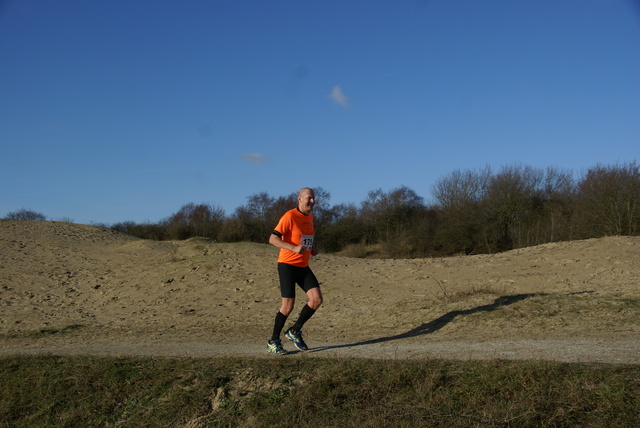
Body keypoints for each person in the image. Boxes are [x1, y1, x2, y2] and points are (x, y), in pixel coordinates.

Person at [266, 187, 323, 355]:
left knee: (316, 299)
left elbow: (303, 239)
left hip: (302, 266)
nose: (312, 201)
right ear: (299, 199)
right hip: (287, 265)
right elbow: (272, 239)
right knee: (287, 306)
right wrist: (292, 248)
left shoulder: (310, 218)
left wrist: (311, 248)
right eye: (309, 198)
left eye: (313, 198)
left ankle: (295, 331)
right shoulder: (289, 216)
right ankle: (273, 341)